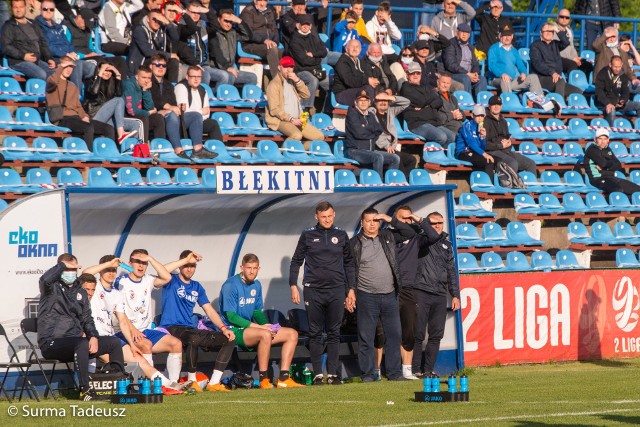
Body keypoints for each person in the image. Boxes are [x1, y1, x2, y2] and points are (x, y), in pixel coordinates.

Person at [81, 259, 193, 395]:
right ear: (101, 271)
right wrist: (110, 263)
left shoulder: (117, 293)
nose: (111, 273)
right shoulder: (95, 286)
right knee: (93, 358)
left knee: (140, 359)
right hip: (93, 338)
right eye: (108, 270)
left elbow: (122, 320)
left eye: (113, 270)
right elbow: (85, 273)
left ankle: (168, 385)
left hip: (110, 339)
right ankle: (85, 389)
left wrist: (132, 345)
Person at [37, 253, 125, 401]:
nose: (71, 272)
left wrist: (94, 336)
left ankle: (118, 385)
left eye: (73, 269)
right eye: (67, 269)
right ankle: (85, 391)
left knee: (114, 343)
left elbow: (86, 319)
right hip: (52, 342)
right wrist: (63, 265)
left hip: (76, 343)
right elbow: (44, 279)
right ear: (60, 269)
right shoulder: (51, 288)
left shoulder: (80, 291)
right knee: (81, 343)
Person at [289, 201, 356, 385]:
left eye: (330, 216)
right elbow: (296, 261)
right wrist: (293, 285)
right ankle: (318, 373)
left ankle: (333, 374)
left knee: (334, 332)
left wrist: (351, 289)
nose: (327, 220)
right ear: (316, 216)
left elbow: (350, 263)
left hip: (336, 290)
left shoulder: (341, 234)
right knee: (315, 332)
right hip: (313, 290)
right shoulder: (308, 234)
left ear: (334, 214)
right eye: (323, 216)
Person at [219, 253, 304, 389]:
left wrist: (264, 324)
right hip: (233, 330)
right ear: (242, 267)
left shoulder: (257, 285)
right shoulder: (230, 285)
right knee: (264, 334)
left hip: (251, 329)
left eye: (255, 268)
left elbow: (257, 311)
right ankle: (264, 379)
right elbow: (231, 317)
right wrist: (259, 327)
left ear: (259, 268)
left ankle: (284, 378)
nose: (252, 271)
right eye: (248, 268)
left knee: (292, 334)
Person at [160, 250, 236, 393]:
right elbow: (161, 269)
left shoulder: (197, 286)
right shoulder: (170, 280)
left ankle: (214, 382)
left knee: (229, 339)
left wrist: (223, 328)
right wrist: (184, 260)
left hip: (189, 329)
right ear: (180, 265)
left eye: (193, 266)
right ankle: (192, 381)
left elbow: (209, 310)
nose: (189, 269)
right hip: (171, 327)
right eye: (186, 265)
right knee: (193, 337)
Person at [113, 249, 186, 385]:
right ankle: (151, 383)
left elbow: (167, 277)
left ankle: (173, 382)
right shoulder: (121, 282)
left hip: (146, 330)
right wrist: (133, 329)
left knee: (176, 343)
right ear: (130, 263)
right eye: (137, 262)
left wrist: (151, 259)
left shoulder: (148, 279)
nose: (141, 266)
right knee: (146, 345)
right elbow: (118, 313)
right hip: (126, 331)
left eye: (144, 263)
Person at [349, 208, 405, 382]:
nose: (372, 224)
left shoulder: (388, 236)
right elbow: (349, 269)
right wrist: (350, 290)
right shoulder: (354, 243)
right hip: (367, 296)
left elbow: (409, 231)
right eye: (368, 221)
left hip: (390, 295)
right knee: (366, 337)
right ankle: (367, 375)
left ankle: (395, 374)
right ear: (362, 223)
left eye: (375, 221)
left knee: (394, 335)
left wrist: (390, 218)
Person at [389, 206, 439, 380]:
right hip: (389, 288)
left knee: (408, 331)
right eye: (402, 219)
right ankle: (383, 371)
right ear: (395, 220)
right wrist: (394, 222)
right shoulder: (388, 236)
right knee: (386, 331)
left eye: (408, 219)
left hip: (409, 289)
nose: (406, 222)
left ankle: (407, 369)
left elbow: (434, 236)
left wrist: (418, 219)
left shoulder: (416, 238)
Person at [411, 211, 460, 377]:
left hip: (439, 294)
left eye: (440, 223)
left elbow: (451, 271)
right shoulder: (421, 239)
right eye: (433, 223)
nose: (438, 226)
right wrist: (424, 223)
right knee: (417, 333)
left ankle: (429, 369)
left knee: (436, 334)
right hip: (421, 291)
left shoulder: (447, 244)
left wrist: (455, 294)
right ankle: (415, 370)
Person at [46, 56, 115, 148]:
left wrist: (85, 116)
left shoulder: (72, 86)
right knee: (88, 128)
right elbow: (53, 81)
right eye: (66, 66)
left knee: (108, 129)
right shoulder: (52, 82)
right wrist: (61, 66)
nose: (69, 69)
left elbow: (78, 106)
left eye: (71, 67)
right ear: (60, 66)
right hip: (62, 118)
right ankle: (88, 157)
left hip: (76, 118)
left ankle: (107, 155)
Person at [36, 0, 96, 91]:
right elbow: (46, 46)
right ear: (40, 10)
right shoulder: (37, 26)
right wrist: (65, 54)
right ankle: (76, 97)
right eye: (45, 9)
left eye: (51, 9)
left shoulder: (57, 26)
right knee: (77, 65)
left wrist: (72, 52)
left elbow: (67, 43)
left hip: (66, 56)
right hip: (53, 58)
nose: (48, 11)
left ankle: (89, 96)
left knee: (92, 67)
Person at [265, 56, 324, 144]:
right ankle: (283, 153)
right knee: (297, 135)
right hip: (281, 121)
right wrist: (291, 119)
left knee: (319, 137)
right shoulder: (274, 85)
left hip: (297, 120)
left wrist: (297, 80)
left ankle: (300, 151)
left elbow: (306, 95)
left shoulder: (293, 81)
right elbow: (274, 110)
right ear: (279, 67)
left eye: (291, 67)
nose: (288, 70)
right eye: (285, 67)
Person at [344, 90, 400, 178]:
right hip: (355, 151)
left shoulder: (370, 114)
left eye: (366, 100)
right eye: (361, 100)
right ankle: (378, 184)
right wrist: (371, 131)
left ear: (369, 102)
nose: (363, 103)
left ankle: (391, 182)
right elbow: (359, 133)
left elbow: (379, 130)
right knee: (377, 157)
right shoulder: (352, 113)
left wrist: (366, 129)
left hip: (370, 150)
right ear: (356, 102)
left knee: (395, 158)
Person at [399, 62, 455, 145]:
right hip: (417, 123)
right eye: (412, 73)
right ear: (407, 75)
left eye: (418, 73)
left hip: (432, 122)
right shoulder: (406, 88)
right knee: (441, 137)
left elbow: (439, 101)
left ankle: (442, 155)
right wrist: (428, 102)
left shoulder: (425, 87)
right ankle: (431, 155)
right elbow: (420, 101)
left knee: (452, 137)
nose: (415, 76)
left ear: (421, 75)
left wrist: (430, 105)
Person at [85, 61, 139, 144]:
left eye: (110, 71)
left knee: (135, 124)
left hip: (108, 119)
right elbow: (94, 91)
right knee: (118, 100)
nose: (107, 73)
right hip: (95, 117)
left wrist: (117, 72)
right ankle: (121, 134)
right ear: (99, 70)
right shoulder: (90, 81)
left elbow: (119, 93)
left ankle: (129, 150)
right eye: (105, 70)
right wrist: (101, 72)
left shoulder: (111, 83)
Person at [174, 66, 221, 159]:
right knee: (196, 116)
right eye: (193, 76)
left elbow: (207, 112)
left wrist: (199, 115)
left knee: (213, 123)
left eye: (198, 77)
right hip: (182, 122)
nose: (196, 79)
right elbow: (184, 112)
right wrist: (200, 112)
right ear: (187, 77)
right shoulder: (181, 87)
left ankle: (219, 152)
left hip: (198, 122)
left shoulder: (203, 90)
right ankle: (197, 150)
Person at [1, 0, 55, 80]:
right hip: (19, 61)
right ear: (11, 8)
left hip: (36, 60)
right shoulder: (8, 26)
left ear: (25, 7)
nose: (18, 10)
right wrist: (23, 56)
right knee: (41, 74)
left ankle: (49, 92)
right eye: (15, 7)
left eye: (21, 7)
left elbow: (42, 43)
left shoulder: (33, 24)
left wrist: (49, 58)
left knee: (54, 74)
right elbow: (5, 46)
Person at [484, 95, 536, 174]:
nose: (496, 107)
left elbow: (507, 138)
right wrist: (500, 146)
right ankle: (508, 185)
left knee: (531, 164)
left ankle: (530, 185)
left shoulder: (503, 121)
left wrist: (509, 143)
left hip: (506, 151)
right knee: (512, 163)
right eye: (493, 104)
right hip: (492, 152)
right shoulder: (485, 120)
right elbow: (484, 144)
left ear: (501, 106)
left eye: (498, 104)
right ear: (489, 106)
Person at [288, 13, 329, 112]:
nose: (305, 26)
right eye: (303, 24)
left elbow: (324, 51)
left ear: (310, 25)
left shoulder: (314, 37)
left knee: (331, 84)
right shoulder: (294, 41)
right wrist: (318, 59)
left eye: (307, 24)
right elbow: (303, 60)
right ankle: (305, 109)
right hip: (301, 71)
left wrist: (313, 54)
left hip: (315, 69)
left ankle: (325, 113)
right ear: (298, 25)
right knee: (313, 80)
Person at [529, 23, 583, 99]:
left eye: (551, 31)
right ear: (541, 32)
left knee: (578, 92)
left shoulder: (555, 44)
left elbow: (566, 42)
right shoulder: (535, 45)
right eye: (545, 31)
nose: (548, 33)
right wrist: (552, 72)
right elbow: (538, 64)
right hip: (541, 78)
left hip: (556, 78)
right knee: (560, 81)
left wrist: (557, 29)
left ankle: (568, 106)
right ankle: (559, 105)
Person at [487, 26, 544, 96]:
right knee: (505, 79)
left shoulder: (514, 51)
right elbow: (491, 65)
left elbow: (521, 65)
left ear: (512, 36)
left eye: (509, 35)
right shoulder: (494, 48)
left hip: (512, 81)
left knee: (533, 77)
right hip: (496, 79)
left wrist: (523, 73)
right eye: (504, 35)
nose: (507, 38)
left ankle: (540, 102)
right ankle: (508, 103)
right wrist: (502, 74)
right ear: (500, 36)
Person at [208, 9, 257, 87]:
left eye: (230, 22)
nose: (228, 24)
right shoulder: (213, 33)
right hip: (215, 68)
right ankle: (223, 97)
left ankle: (243, 98)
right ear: (219, 20)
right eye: (226, 21)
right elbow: (216, 54)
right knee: (228, 76)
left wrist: (240, 21)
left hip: (230, 69)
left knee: (252, 77)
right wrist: (227, 67)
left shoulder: (233, 33)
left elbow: (248, 36)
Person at [372, 91, 416, 177]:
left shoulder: (390, 111)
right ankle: (399, 181)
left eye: (385, 100)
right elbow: (374, 134)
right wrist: (386, 146)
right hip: (378, 147)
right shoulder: (371, 113)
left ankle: (405, 181)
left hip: (390, 147)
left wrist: (390, 97)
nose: (383, 102)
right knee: (397, 158)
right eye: (380, 100)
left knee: (411, 159)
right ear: (375, 102)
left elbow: (407, 102)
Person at [584, 128, 640, 195]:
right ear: (595, 139)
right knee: (618, 190)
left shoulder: (607, 149)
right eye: (600, 139)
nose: (603, 141)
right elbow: (603, 163)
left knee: (637, 189)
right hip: (597, 179)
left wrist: (605, 168)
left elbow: (618, 165)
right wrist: (609, 163)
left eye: (605, 139)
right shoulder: (592, 149)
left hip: (610, 177)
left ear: (608, 140)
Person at [128, 10, 180, 81]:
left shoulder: (162, 30)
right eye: (154, 19)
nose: (156, 22)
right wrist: (169, 55)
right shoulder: (139, 30)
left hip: (158, 61)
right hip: (142, 62)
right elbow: (147, 51)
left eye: (159, 20)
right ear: (148, 19)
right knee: (158, 63)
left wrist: (168, 23)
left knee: (174, 62)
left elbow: (175, 38)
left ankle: (171, 86)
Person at [123, 65, 167, 144]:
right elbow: (131, 111)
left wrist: (145, 90)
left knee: (158, 118)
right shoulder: (129, 85)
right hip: (125, 117)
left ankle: (159, 147)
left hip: (138, 116)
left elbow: (149, 107)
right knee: (143, 119)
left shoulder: (144, 86)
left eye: (149, 78)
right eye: (143, 77)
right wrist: (148, 113)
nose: (146, 81)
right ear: (137, 77)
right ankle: (143, 147)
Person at [442, 22, 487, 98]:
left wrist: (475, 74)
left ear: (469, 35)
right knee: (465, 78)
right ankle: (466, 104)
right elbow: (450, 64)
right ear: (457, 33)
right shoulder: (450, 44)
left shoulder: (471, 47)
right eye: (462, 32)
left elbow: (475, 64)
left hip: (468, 74)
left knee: (481, 79)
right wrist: (467, 73)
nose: (464, 34)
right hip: (453, 74)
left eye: (466, 33)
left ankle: (480, 105)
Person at [240, 0, 282, 79]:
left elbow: (275, 29)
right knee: (272, 50)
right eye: (260, 0)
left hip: (267, 44)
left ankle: (290, 81)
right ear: (255, 0)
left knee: (285, 52)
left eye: (265, 1)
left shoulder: (269, 11)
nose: (262, 3)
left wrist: (275, 41)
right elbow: (248, 33)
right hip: (250, 44)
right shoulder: (247, 11)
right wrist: (264, 40)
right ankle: (277, 81)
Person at [594, 56, 640, 125]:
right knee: (611, 110)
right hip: (603, 103)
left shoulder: (623, 76)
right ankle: (610, 131)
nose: (617, 69)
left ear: (621, 65)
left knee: (638, 105)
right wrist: (607, 103)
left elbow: (625, 91)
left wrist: (622, 100)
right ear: (610, 65)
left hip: (617, 103)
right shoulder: (602, 73)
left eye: (619, 67)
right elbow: (599, 91)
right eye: (615, 67)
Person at [455, 105, 495, 178]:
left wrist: (483, 137)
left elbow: (482, 148)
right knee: (487, 161)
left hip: (475, 152)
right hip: (463, 152)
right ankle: (489, 185)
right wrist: (484, 154)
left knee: (497, 160)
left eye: (482, 116)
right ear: (472, 115)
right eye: (477, 116)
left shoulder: (481, 128)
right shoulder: (467, 126)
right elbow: (471, 143)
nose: (480, 118)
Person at [334, 39, 375, 106]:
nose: (355, 49)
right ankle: (370, 109)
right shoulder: (342, 62)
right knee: (366, 92)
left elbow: (367, 75)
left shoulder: (361, 62)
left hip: (357, 89)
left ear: (361, 49)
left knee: (374, 90)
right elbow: (350, 81)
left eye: (357, 47)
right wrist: (367, 80)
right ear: (347, 49)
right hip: (343, 93)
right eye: (352, 47)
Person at [553, 9, 594, 76]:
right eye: (562, 17)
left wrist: (576, 57)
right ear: (557, 17)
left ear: (569, 19)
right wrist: (573, 59)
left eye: (567, 18)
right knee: (573, 64)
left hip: (571, 58)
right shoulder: (554, 30)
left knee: (588, 65)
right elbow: (558, 49)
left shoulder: (569, 30)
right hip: (558, 58)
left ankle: (585, 85)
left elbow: (571, 47)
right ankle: (570, 84)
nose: (564, 19)